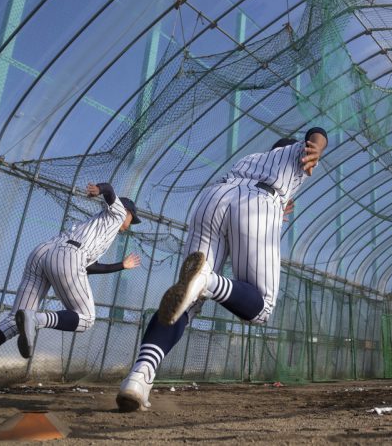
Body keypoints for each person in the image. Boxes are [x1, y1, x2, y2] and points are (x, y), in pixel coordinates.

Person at [116, 127, 328, 411]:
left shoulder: (251, 159)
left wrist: (278, 205)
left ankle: (138, 378)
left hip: (213, 199)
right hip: (256, 204)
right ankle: (208, 281)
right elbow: (318, 132)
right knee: (261, 307)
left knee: (185, 302)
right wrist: (317, 147)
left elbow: (263, 188)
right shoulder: (293, 153)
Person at [0, 183, 141, 388]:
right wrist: (99, 190)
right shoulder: (116, 214)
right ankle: (35, 318)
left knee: (14, 319)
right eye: (132, 218)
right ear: (124, 210)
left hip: (44, 252)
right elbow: (109, 190)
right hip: (68, 254)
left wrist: (121, 266)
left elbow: (89, 267)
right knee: (86, 318)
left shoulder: (98, 227)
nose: (131, 223)